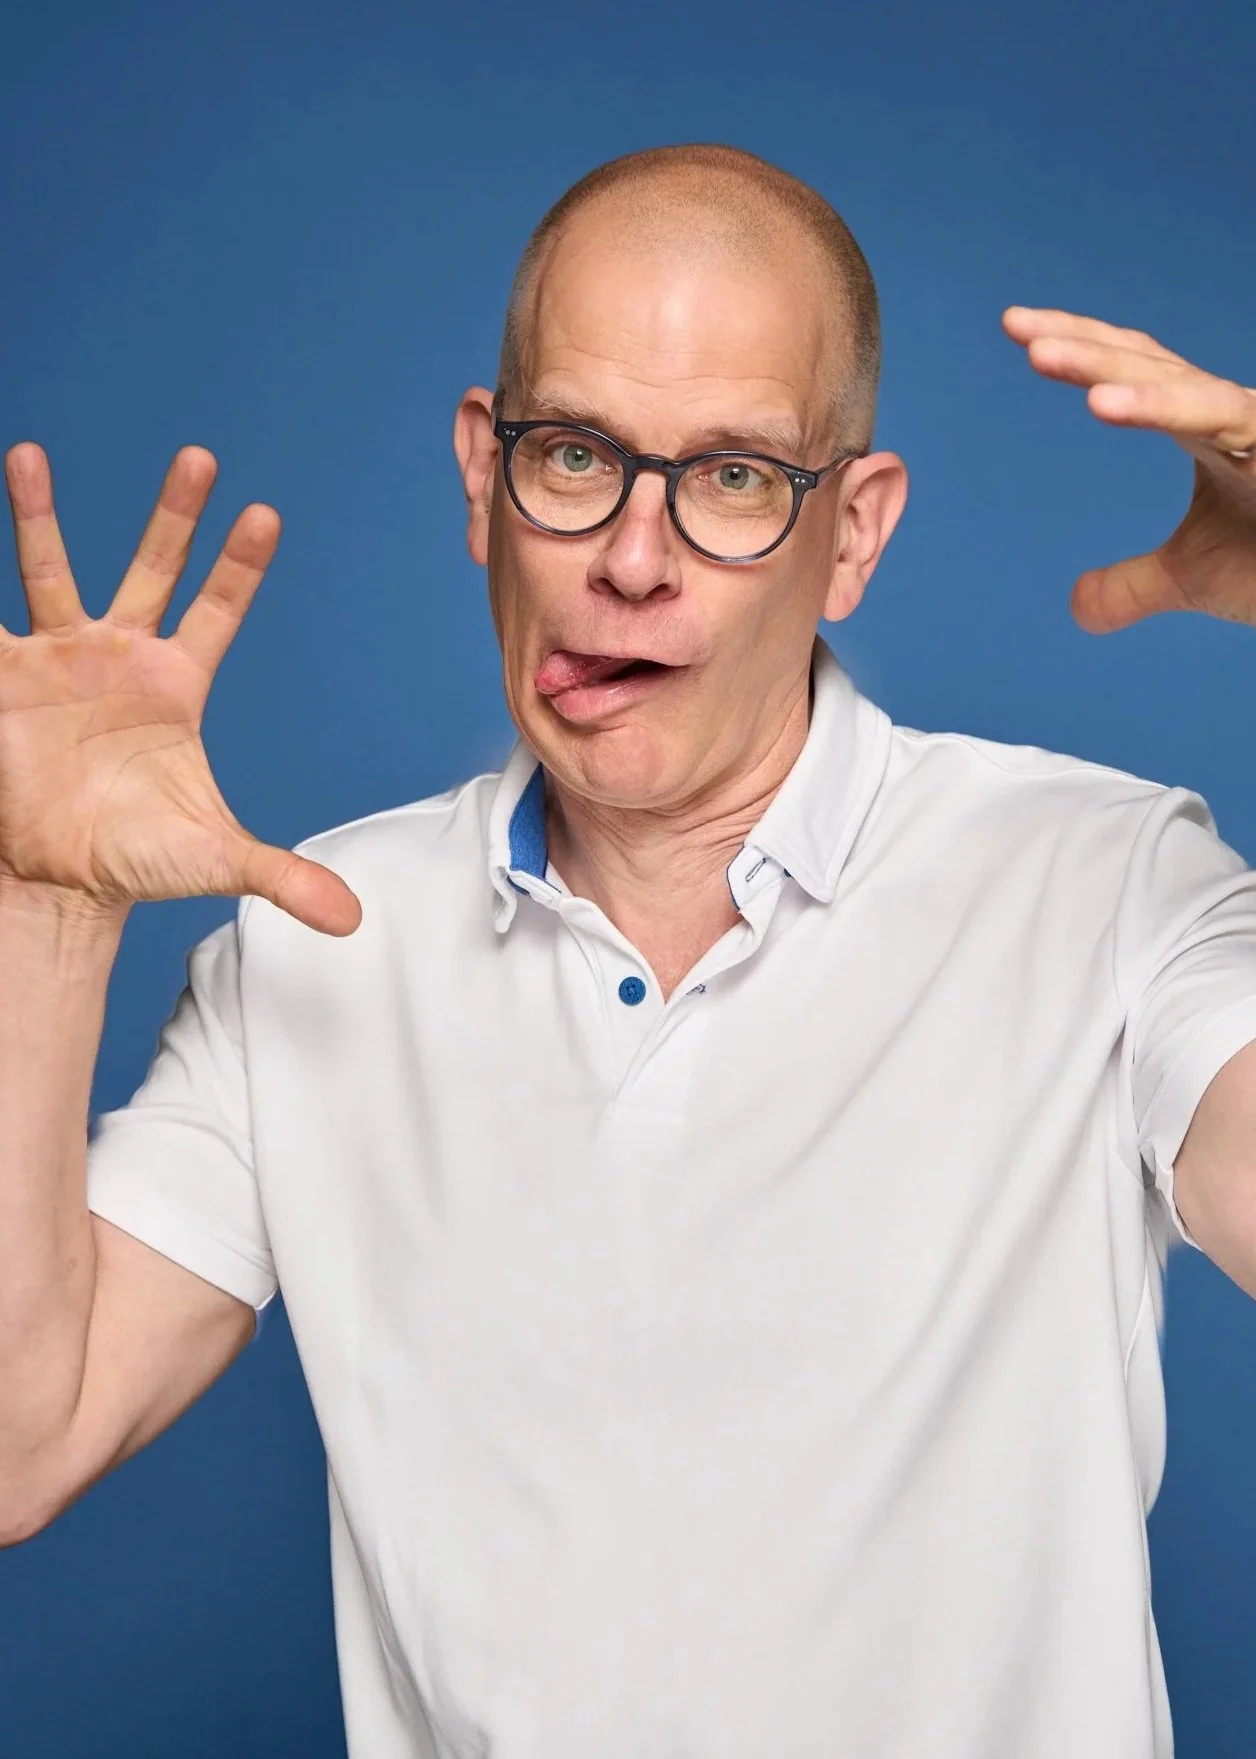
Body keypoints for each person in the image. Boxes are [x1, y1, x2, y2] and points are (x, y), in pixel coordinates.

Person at [1, 142, 1255, 1759]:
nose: (633, 559)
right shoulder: (313, 940)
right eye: (577, 453)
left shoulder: (1109, 884)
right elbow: (21, 1443)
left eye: (734, 476)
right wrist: (43, 907)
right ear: (480, 472)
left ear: (853, 533)